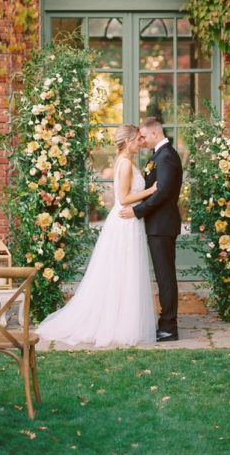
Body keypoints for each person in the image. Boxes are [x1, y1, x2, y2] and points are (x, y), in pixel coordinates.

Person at [36, 124, 156, 348]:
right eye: (138, 139)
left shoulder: (123, 161)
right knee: (123, 271)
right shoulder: (126, 164)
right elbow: (123, 198)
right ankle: (119, 324)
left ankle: (124, 321)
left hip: (129, 222)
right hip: (125, 223)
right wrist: (152, 190)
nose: (141, 143)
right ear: (129, 141)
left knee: (124, 272)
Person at [120, 117, 183, 342]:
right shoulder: (159, 155)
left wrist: (137, 211)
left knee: (165, 277)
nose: (142, 140)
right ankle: (166, 322)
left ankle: (169, 327)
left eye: (144, 136)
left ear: (155, 134)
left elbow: (163, 192)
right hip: (157, 225)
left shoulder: (166, 156)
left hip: (162, 225)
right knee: (163, 275)